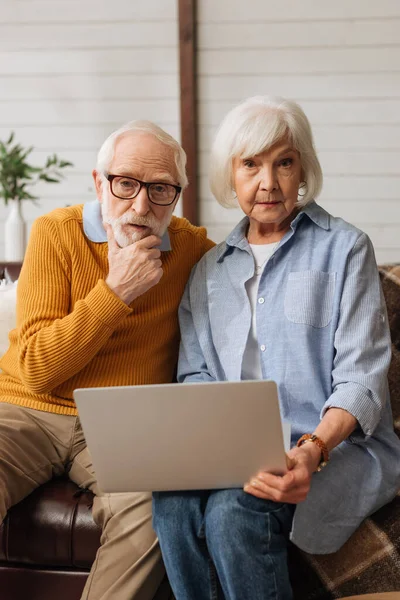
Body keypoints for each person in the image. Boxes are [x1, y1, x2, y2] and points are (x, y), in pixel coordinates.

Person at [152, 96, 400, 600]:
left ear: (302, 168)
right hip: (236, 451)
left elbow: (361, 379)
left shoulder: (346, 248)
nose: (268, 182)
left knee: (231, 512)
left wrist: (310, 451)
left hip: (332, 447)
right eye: (251, 165)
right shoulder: (208, 270)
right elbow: (195, 376)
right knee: (171, 504)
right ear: (231, 176)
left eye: (283, 162)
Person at [0, 120, 214, 600]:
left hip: (122, 420)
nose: (141, 206)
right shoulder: (56, 232)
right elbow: (37, 369)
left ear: (176, 195)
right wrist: (116, 292)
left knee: (157, 507)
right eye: (125, 183)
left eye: (160, 189)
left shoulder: (192, 247)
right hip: (27, 408)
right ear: (99, 183)